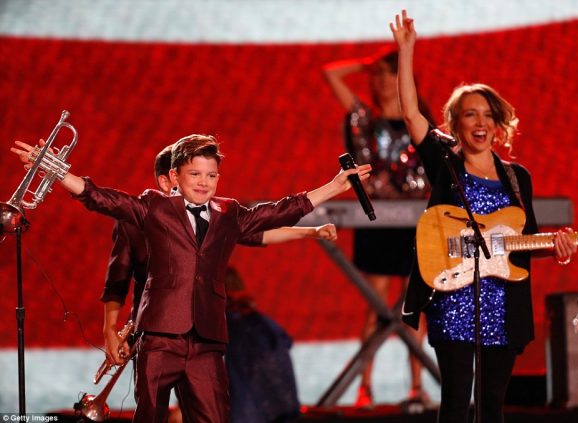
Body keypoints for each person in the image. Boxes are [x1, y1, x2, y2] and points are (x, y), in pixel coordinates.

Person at [11, 133, 370, 423]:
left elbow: (277, 213)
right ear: (176, 176)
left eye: (211, 175)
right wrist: (56, 171)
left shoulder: (228, 213)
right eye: (195, 174)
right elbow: (103, 198)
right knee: (150, 416)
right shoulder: (154, 207)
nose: (203, 182)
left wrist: (332, 187)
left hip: (207, 341)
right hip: (160, 337)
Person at [390, 10, 578, 423]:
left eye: (487, 115)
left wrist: (556, 247)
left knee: (493, 407)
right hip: (453, 294)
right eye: (470, 114)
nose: (480, 122)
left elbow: (525, 241)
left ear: (497, 124)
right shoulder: (445, 162)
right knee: (456, 404)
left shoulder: (517, 178)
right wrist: (406, 50)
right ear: (456, 124)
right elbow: (411, 116)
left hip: (504, 302)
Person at [323, 47, 435, 407]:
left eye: (390, 74)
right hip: (377, 221)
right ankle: (365, 388)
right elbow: (330, 73)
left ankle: (417, 387)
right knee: (377, 305)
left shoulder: (421, 120)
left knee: (414, 306)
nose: (384, 81)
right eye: (378, 75)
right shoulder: (365, 120)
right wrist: (367, 64)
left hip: (415, 221)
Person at [224, 266, 300, 423]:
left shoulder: (228, 324)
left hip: (250, 411)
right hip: (283, 404)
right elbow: (285, 341)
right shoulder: (256, 319)